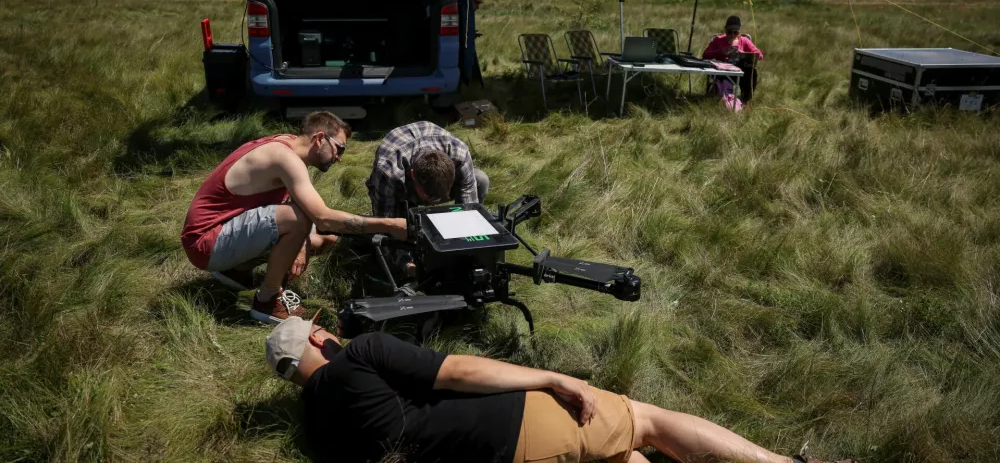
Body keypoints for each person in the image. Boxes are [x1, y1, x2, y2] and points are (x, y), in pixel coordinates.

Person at [265, 316, 857, 463]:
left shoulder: (316, 438)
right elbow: (463, 371)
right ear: (318, 339)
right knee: (642, 421)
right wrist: (553, 376)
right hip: (513, 424)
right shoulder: (361, 352)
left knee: (621, 456)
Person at [181, 111, 407, 325]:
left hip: (222, 233)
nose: (338, 158)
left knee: (323, 241)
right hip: (205, 243)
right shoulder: (286, 159)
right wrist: (390, 224)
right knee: (299, 220)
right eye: (339, 149)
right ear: (319, 138)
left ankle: (236, 269)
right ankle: (267, 301)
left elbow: (301, 210)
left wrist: (303, 245)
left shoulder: (288, 145)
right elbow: (323, 218)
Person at [366, 121, 488, 219]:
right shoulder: (388, 172)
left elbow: (468, 208)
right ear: (413, 175)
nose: (435, 203)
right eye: (431, 197)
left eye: (438, 198)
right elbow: (386, 224)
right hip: (398, 187)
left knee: (480, 179)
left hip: (419, 175)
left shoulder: (460, 154)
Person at [702, 16, 764, 103]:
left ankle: (746, 100)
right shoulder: (718, 40)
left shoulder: (744, 41)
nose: (732, 35)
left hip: (740, 71)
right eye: (729, 32)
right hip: (722, 71)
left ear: (740, 31)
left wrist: (742, 53)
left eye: (736, 32)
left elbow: (759, 55)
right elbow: (705, 54)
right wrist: (720, 52)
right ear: (725, 30)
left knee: (752, 72)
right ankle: (722, 97)